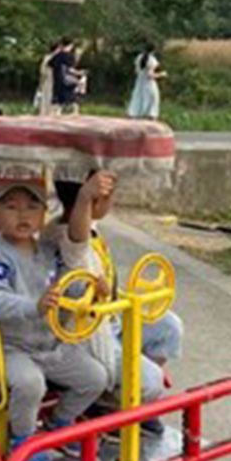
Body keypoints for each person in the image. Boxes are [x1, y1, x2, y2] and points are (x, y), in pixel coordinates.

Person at [0, 174, 109, 461]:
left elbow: (67, 288)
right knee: (30, 384)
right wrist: (34, 306)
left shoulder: (48, 252)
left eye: (31, 207)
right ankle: (22, 441)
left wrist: (91, 287)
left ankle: (60, 422)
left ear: (43, 214)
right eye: (11, 207)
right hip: (10, 349)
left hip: (50, 346)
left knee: (95, 376)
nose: (22, 215)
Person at [48, 174, 176, 440]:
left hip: (111, 319)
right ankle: (112, 403)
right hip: (88, 335)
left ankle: (127, 396)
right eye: (109, 195)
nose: (112, 201)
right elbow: (77, 241)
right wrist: (85, 197)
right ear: (96, 199)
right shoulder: (65, 237)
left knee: (169, 327)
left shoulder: (89, 227)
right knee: (151, 382)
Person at [125, 46, 164, 120]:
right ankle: (151, 116)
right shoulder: (152, 60)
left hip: (139, 82)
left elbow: (136, 71)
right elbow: (150, 75)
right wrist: (161, 74)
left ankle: (134, 115)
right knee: (153, 99)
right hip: (149, 84)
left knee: (138, 98)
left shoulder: (139, 57)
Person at [48, 38, 79, 115]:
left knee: (58, 97)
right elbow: (71, 69)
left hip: (57, 79)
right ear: (70, 45)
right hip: (67, 79)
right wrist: (79, 73)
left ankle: (57, 112)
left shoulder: (57, 56)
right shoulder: (70, 56)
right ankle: (75, 111)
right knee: (71, 96)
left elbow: (49, 64)